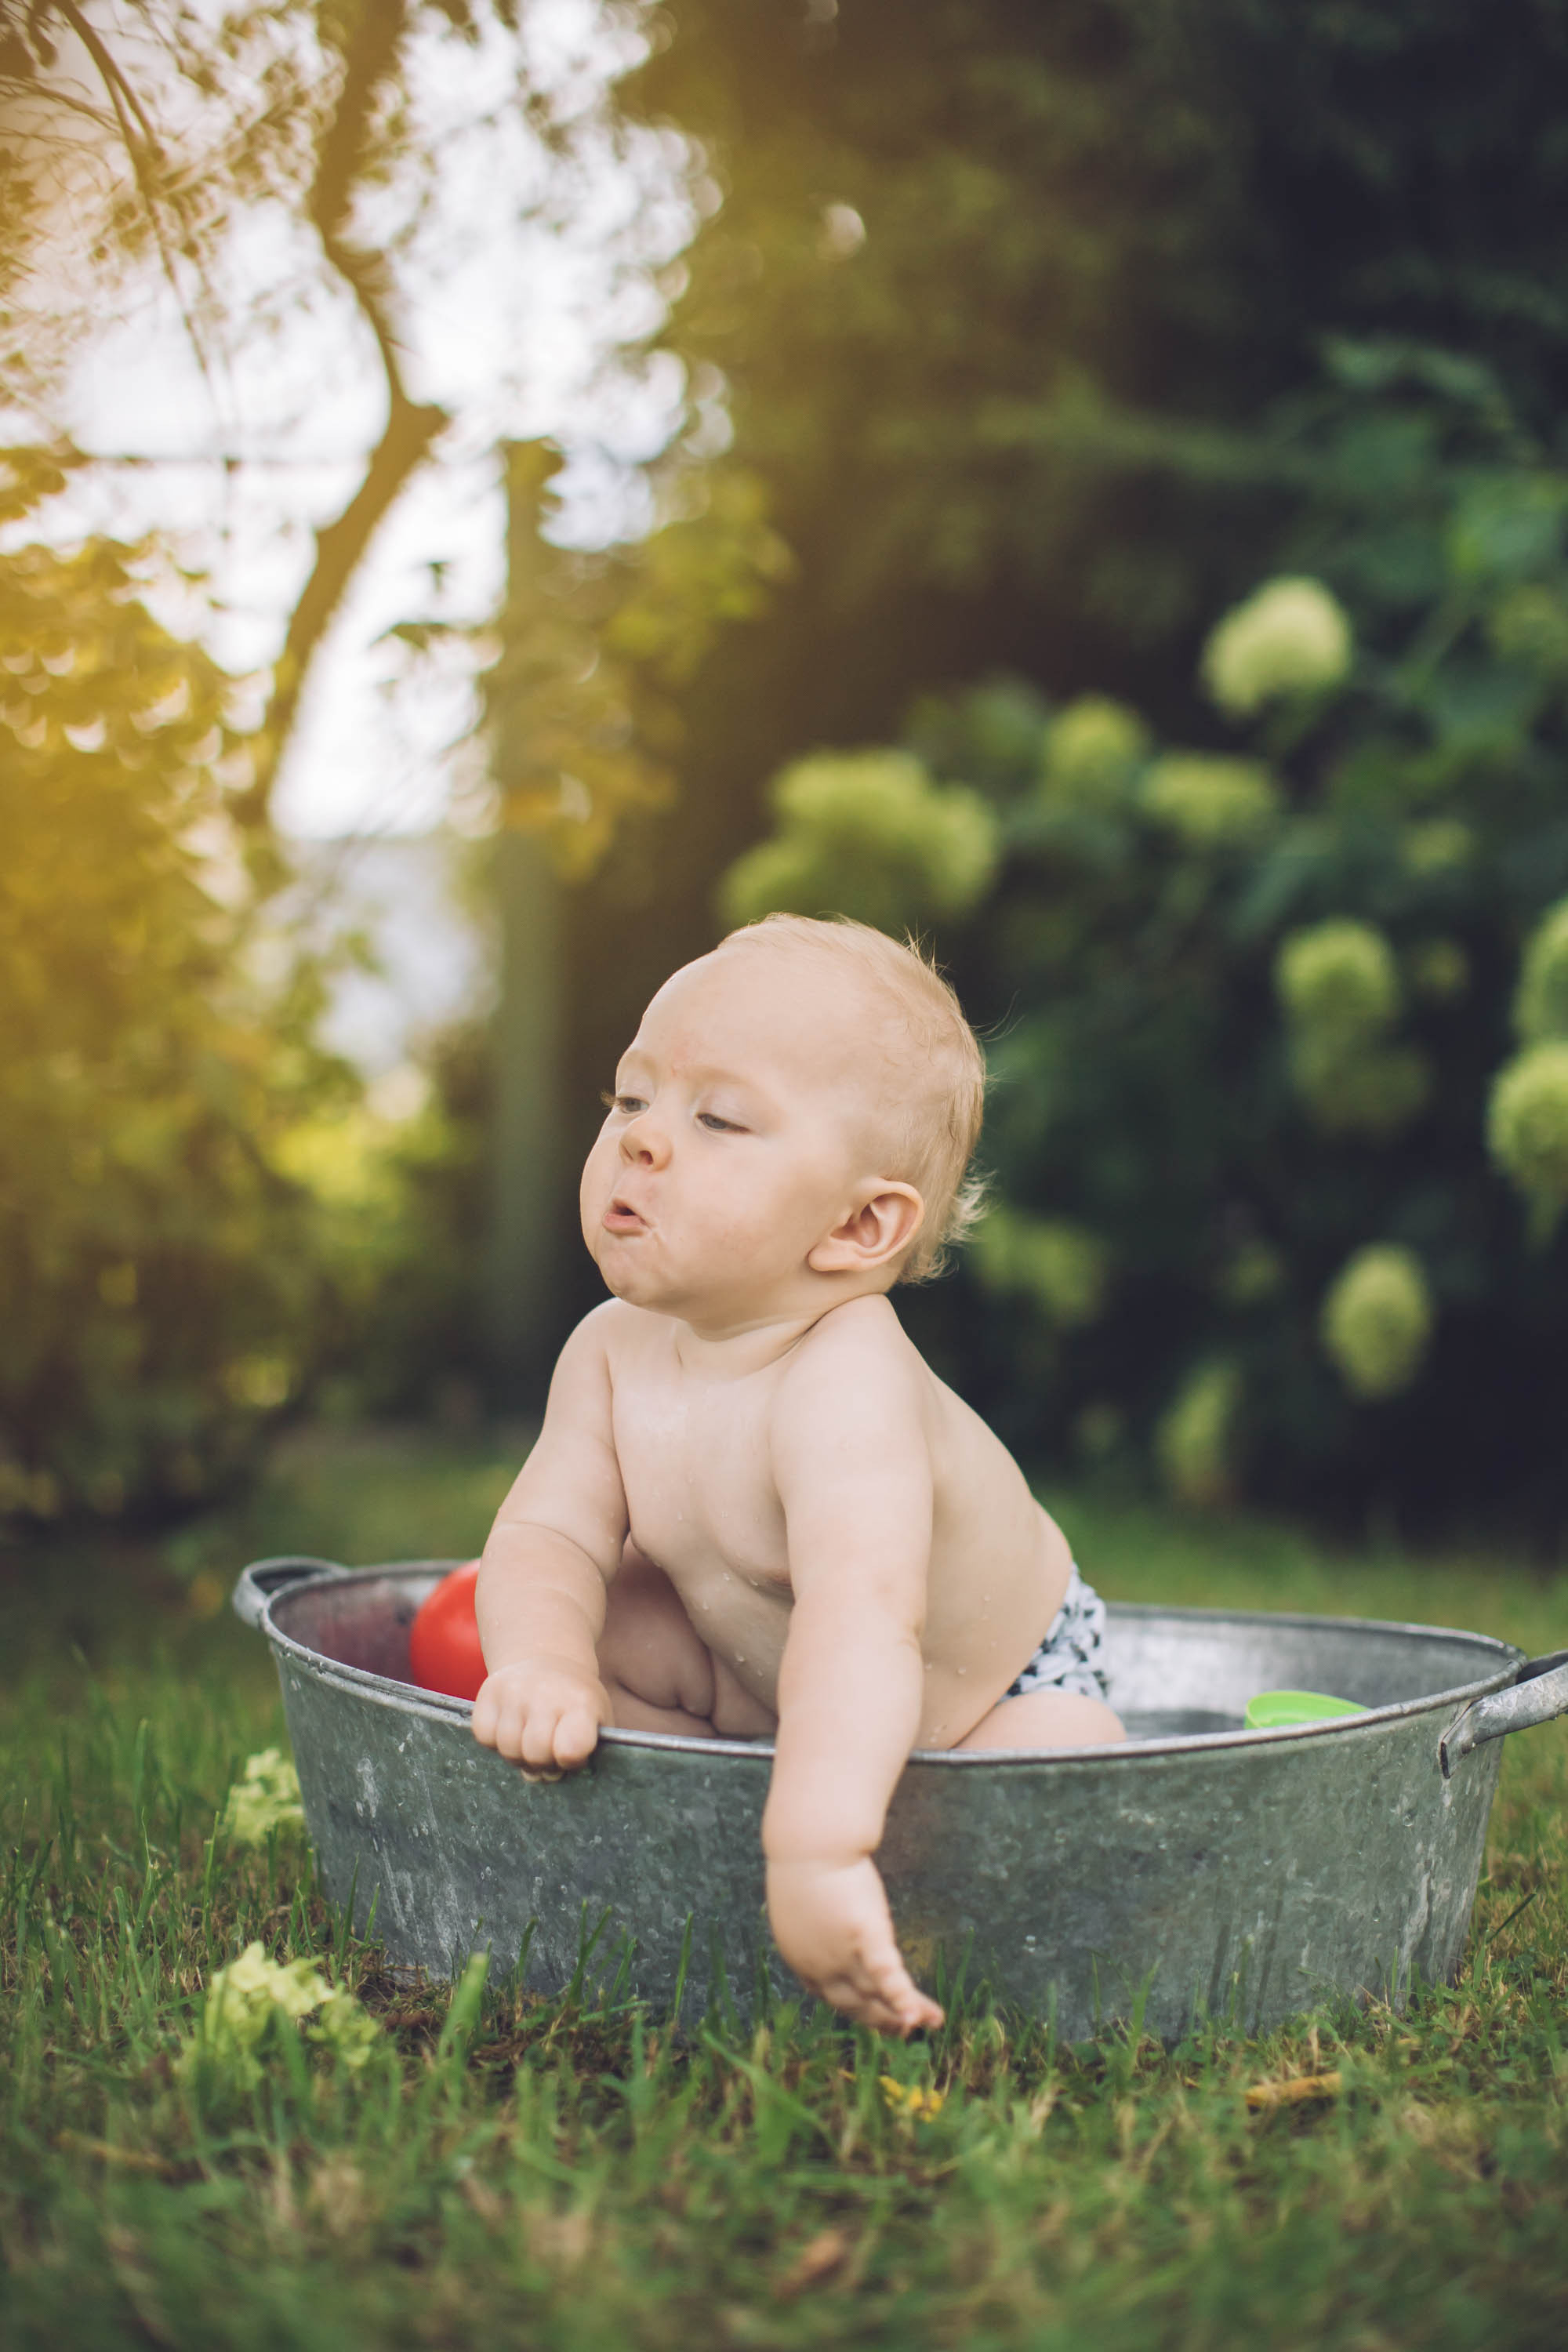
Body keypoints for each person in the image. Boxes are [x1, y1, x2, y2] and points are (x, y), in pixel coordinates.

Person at [470, 914, 1124, 2033]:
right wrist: (542, 1666)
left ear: (859, 1225)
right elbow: (548, 1538)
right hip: (767, 1673)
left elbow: (866, 1622)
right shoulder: (611, 1351)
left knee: (1059, 1770)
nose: (641, 1140)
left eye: (717, 1117)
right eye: (630, 1099)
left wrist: (816, 1851)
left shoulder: (845, 1379)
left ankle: (826, 1854)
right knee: (602, 1616)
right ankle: (720, 1812)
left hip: (980, 1696)